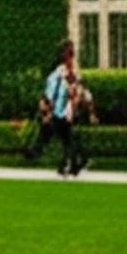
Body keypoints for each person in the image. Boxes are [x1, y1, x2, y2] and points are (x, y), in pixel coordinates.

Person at [24, 41, 87, 177]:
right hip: (63, 111)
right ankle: (71, 163)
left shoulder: (61, 74)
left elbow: (52, 95)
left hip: (63, 111)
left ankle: (67, 162)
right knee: (68, 138)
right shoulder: (65, 74)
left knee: (66, 137)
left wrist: (47, 109)